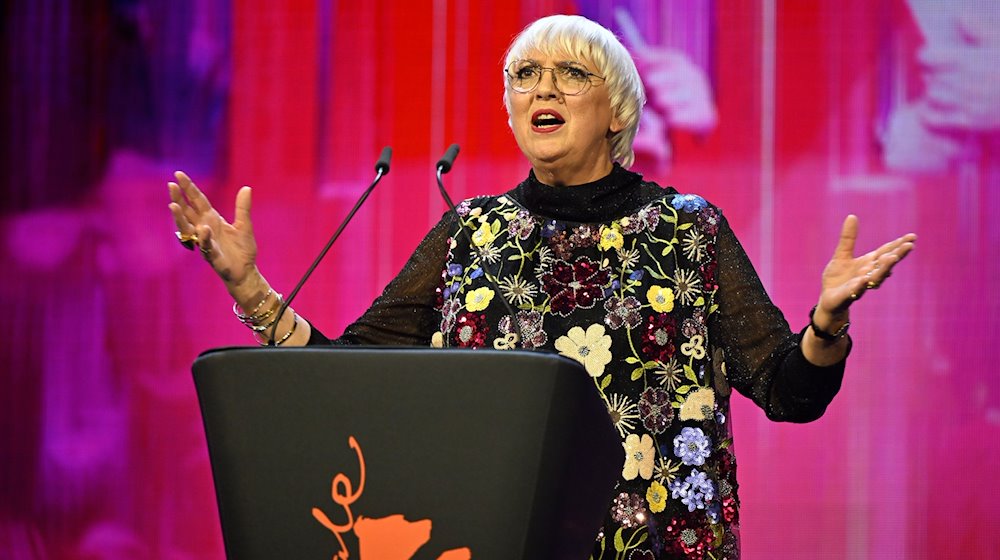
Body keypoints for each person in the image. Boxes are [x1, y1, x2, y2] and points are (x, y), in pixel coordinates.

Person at [168, 14, 915, 559]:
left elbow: (790, 391)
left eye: (570, 74)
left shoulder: (689, 230)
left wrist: (825, 325)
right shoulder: (471, 235)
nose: (541, 89)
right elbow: (348, 378)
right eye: (524, 76)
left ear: (618, 109)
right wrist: (255, 291)